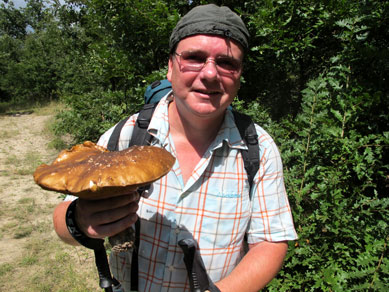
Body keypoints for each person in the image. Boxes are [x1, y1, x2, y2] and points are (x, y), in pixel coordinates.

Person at [53, 4, 298, 292]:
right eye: (194, 58)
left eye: (226, 62)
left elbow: (270, 241)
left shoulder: (258, 149)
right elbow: (63, 216)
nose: (209, 74)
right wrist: (79, 220)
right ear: (170, 67)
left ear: (239, 75)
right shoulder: (128, 134)